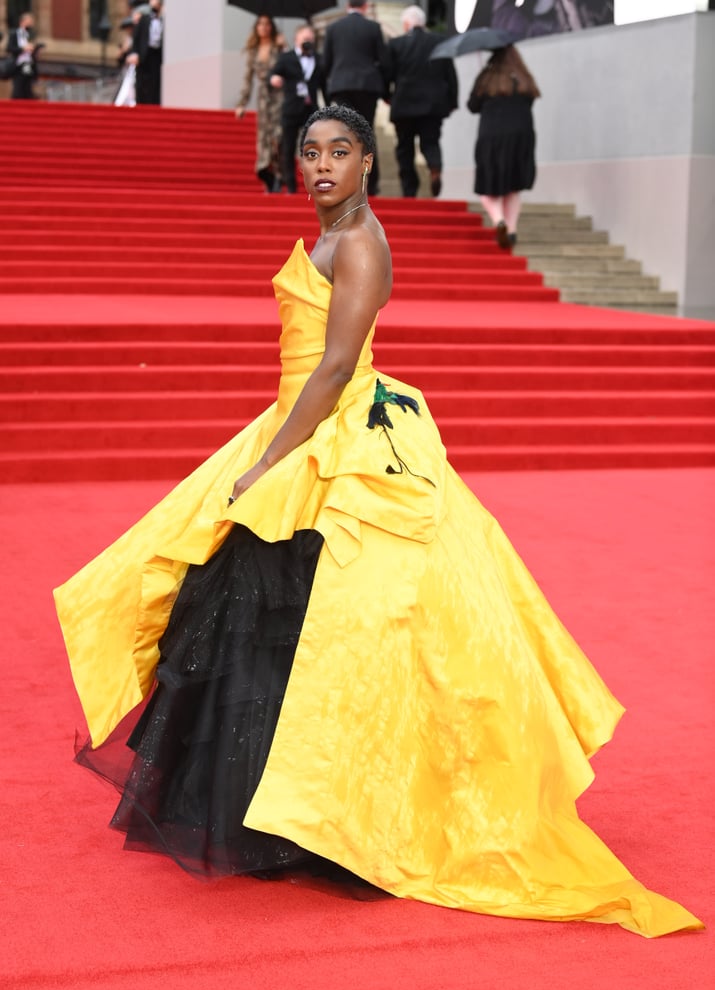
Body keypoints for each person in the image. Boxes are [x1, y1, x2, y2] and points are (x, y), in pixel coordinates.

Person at [55, 105, 703, 939]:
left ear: (368, 161)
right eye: (310, 153)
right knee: (264, 619)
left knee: (324, 623)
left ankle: (328, 815)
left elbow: (332, 367)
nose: (322, 165)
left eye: (340, 153)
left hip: (334, 440)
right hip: (296, 426)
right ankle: (281, 809)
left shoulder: (362, 240)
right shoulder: (336, 231)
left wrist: (269, 463)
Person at [467, 44, 539, 248]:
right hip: (521, 137)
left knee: (488, 187)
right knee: (513, 188)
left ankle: (499, 221)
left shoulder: (487, 78)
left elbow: (473, 106)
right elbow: (530, 101)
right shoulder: (524, 78)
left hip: (492, 137)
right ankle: (512, 229)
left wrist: (483, 82)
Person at [386, 5, 458, 199]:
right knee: (431, 143)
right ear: (423, 23)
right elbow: (450, 75)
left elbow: (387, 74)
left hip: (404, 105)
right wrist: (452, 101)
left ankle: (409, 190)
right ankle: (435, 169)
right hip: (432, 106)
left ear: (407, 24)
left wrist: (387, 97)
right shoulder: (439, 42)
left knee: (405, 148)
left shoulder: (396, 44)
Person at [322, 0, 389, 196]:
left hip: (341, 87)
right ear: (365, 6)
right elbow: (384, 62)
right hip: (367, 87)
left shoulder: (334, 28)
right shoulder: (373, 27)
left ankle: (346, 181)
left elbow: (326, 62)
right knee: (367, 133)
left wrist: (329, 89)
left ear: (347, 6)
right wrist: (386, 92)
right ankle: (371, 183)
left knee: (346, 135)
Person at [269, 25, 325, 194]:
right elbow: (273, 75)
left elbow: (324, 86)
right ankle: (291, 187)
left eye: (311, 39)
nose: (308, 41)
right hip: (291, 109)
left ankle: (315, 184)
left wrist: (330, 108)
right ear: (296, 39)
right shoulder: (286, 58)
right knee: (288, 148)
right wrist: (274, 79)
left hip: (311, 110)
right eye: (304, 38)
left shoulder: (319, 59)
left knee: (314, 148)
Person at [235, 15, 285, 194]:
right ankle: (267, 174)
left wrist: (283, 47)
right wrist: (242, 103)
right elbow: (248, 79)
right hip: (263, 98)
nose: (263, 27)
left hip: (279, 96)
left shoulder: (278, 47)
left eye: (267, 24)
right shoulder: (254, 50)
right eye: (260, 24)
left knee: (277, 137)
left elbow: (288, 66)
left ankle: (280, 174)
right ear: (256, 27)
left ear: (271, 27)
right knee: (263, 137)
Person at [127, 0, 164, 106]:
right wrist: (135, 53)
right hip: (144, 55)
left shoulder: (164, 20)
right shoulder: (144, 19)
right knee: (142, 81)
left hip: (158, 55)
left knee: (156, 82)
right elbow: (137, 37)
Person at [6, 12, 41, 100]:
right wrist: (23, 49)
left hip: (29, 64)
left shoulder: (30, 35)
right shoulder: (15, 33)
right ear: (22, 22)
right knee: (19, 87)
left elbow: (31, 51)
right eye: (29, 21)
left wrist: (35, 51)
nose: (31, 23)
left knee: (27, 87)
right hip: (18, 64)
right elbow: (9, 48)